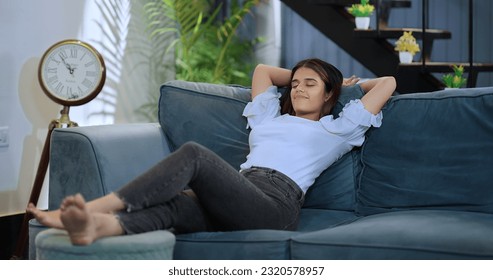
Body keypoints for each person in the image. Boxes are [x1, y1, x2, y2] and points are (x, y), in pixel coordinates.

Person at [28, 58, 396, 245]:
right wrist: (305, 73)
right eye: (296, 84)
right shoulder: (268, 117)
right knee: (173, 207)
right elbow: (264, 71)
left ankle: (89, 208)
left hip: (275, 205)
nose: (298, 89)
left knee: (194, 156)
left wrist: (348, 83)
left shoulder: (336, 129)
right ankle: (93, 229)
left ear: (329, 94)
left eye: (310, 85)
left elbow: (388, 83)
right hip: (239, 191)